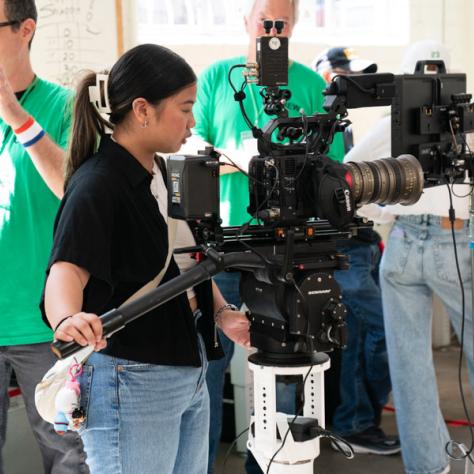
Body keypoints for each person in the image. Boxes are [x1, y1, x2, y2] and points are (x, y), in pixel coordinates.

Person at [41, 43, 251, 474]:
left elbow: (184, 264)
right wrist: (67, 320)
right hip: (130, 376)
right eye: (185, 108)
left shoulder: (160, 171)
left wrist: (223, 312)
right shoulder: (98, 184)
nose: (193, 123)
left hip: (186, 366)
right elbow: (66, 269)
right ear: (142, 109)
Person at [192, 1, 345, 471]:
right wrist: (231, 157)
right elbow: (188, 147)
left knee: (290, 373)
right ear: (246, 23)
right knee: (208, 367)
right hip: (226, 249)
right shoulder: (219, 79)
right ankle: (201, 457)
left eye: (282, 24)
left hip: (288, 251)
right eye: (265, 22)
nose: (272, 31)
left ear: (294, 27)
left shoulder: (308, 85)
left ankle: (278, 463)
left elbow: (332, 167)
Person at [345, 40, 473, 474]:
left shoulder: (390, 123)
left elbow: (348, 177)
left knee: (409, 365)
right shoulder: (465, 120)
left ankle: (429, 468)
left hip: (400, 247)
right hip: (454, 242)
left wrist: (386, 210)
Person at [0, 1, 88, 472]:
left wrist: (16, 116)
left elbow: (73, 189)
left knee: (71, 457)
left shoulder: (64, 106)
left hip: (45, 325)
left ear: (24, 29)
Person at [312, 46, 400, 455]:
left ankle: (357, 422)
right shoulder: (314, 126)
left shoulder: (349, 127)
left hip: (365, 242)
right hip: (341, 245)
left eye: (351, 73)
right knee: (380, 328)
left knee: (366, 333)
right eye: (338, 73)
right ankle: (355, 422)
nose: (346, 80)